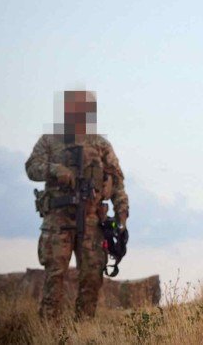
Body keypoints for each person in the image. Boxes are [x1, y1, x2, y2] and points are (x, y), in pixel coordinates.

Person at [25, 90, 129, 320]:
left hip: (91, 221)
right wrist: (55, 169)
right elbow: (31, 167)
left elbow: (118, 183)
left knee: (92, 276)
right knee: (55, 276)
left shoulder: (100, 144)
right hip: (58, 220)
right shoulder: (50, 140)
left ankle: (84, 328)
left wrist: (122, 215)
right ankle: (48, 330)